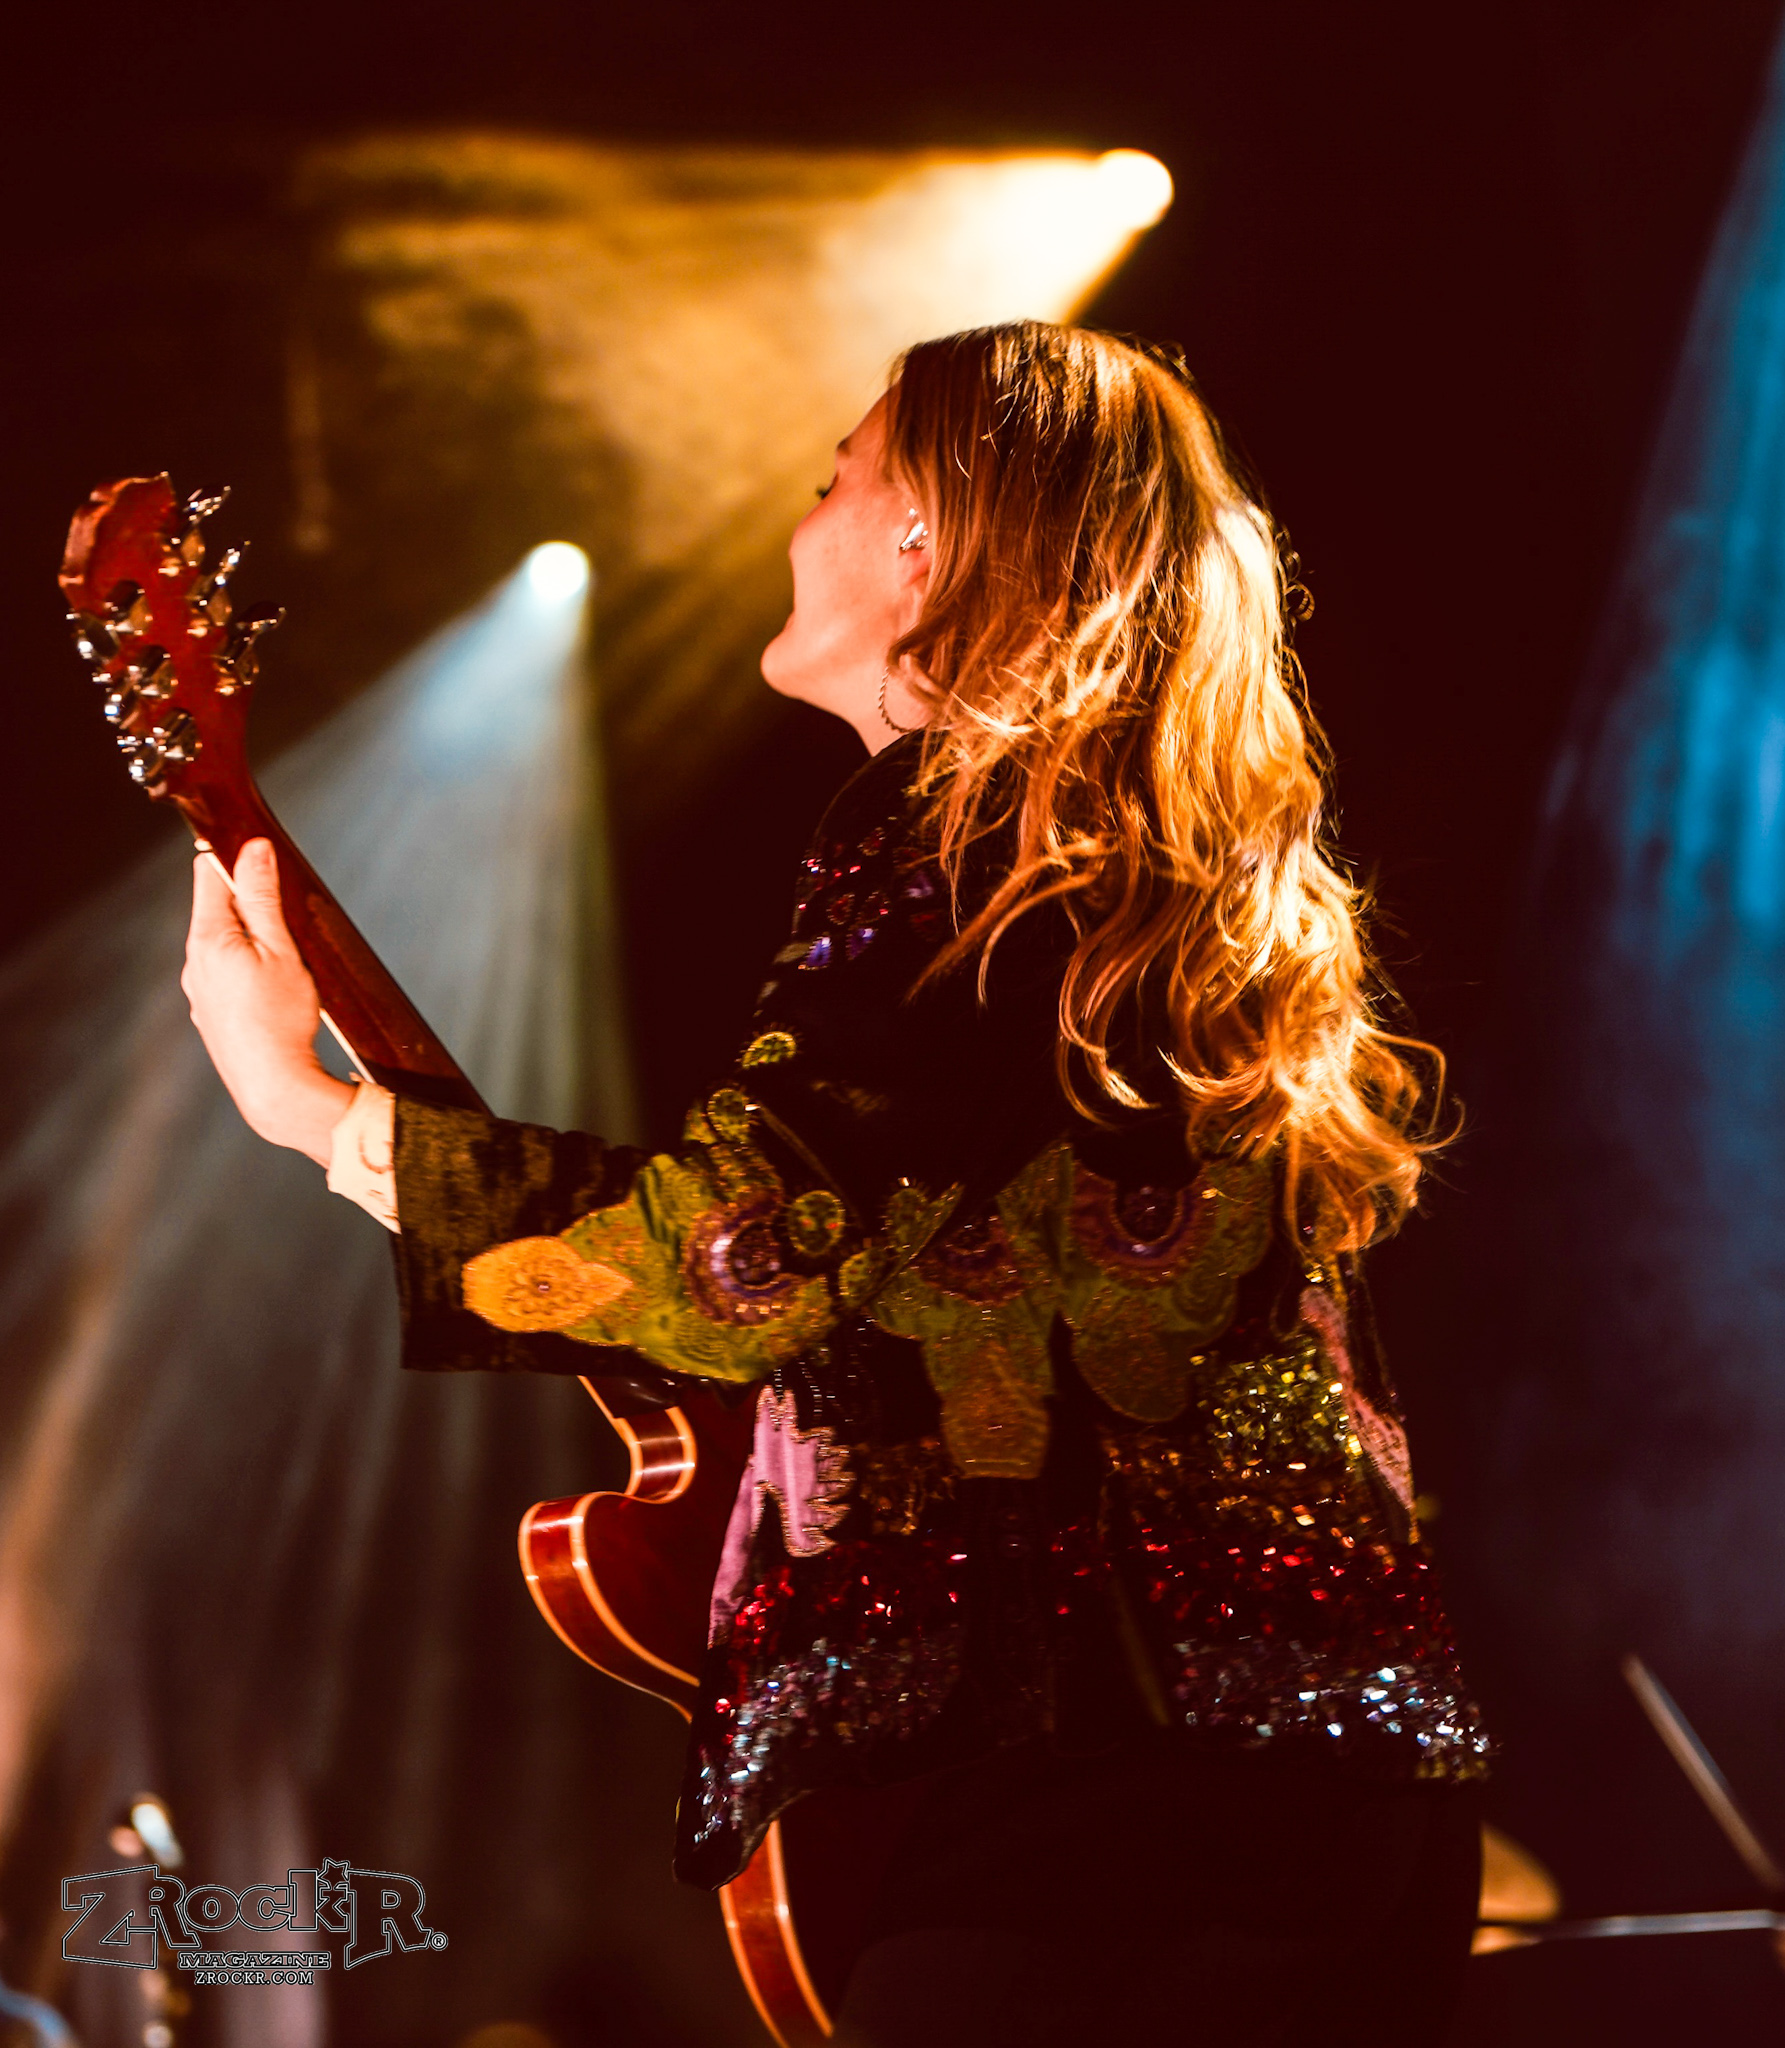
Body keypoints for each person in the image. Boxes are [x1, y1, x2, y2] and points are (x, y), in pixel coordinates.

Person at [183, 321, 1490, 2045]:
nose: (797, 524)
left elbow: (738, 1255)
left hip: (1087, 1805)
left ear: (925, 541)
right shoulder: (1148, 883)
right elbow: (888, 1282)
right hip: (1346, 1779)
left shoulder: (959, 836)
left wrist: (304, 1111)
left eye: (833, 481)